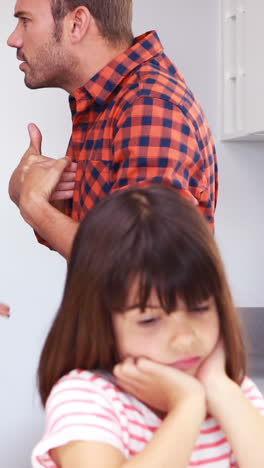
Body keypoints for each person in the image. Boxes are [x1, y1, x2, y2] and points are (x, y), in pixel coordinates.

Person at [32, 185, 264, 468]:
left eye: (200, 308)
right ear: (101, 320)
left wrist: (218, 387)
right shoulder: (85, 397)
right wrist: (187, 405)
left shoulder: (232, 390)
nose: (184, 339)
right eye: (149, 320)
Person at [7, 0, 218, 260]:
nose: (13, 39)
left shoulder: (148, 106)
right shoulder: (103, 101)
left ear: (77, 24)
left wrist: (34, 206)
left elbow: (141, 264)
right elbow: (97, 240)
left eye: (25, 21)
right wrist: (36, 196)